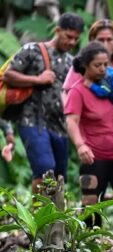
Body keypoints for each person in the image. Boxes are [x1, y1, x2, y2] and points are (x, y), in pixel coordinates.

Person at [64, 42, 113, 238]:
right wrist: (80, 145)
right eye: (98, 65)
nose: (103, 69)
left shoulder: (111, 85)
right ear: (85, 66)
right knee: (91, 203)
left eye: (106, 64)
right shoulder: (78, 91)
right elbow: (72, 121)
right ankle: (92, 246)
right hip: (94, 158)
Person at [2, 13, 84, 191]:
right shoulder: (33, 49)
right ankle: (38, 216)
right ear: (57, 30)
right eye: (68, 37)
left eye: (76, 39)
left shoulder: (72, 63)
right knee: (44, 168)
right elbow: (8, 75)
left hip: (60, 125)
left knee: (59, 177)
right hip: (32, 120)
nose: (71, 42)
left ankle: (54, 217)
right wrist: (38, 79)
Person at [63, 19, 113, 159]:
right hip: (94, 140)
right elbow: (67, 95)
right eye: (100, 40)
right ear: (92, 40)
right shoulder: (83, 65)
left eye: (109, 40)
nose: (105, 44)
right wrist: (77, 133)